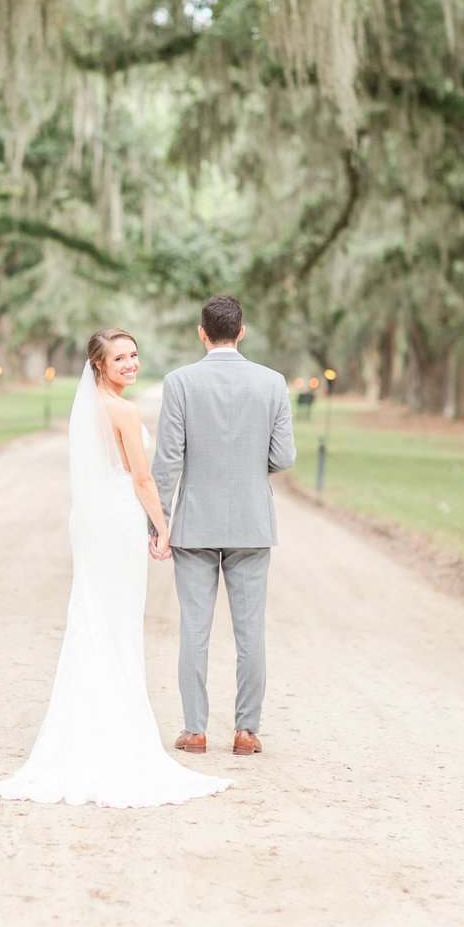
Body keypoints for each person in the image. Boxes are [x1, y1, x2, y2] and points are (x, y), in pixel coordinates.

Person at [0, 328, 230, 808]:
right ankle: (117, 731)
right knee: (116, 623)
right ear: (99, 364)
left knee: (95, 615)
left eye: (135, 355)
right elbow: (141, 477)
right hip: (118, 522)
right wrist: (162, 527)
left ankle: (88, 724)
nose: (131, 363)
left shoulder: (88, 410)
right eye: (120, 357)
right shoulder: (123, 410)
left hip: (92, 523)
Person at [150, 296, 296, 756]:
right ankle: (246, 731)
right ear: (242, 331)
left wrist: (158, 523)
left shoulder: (180, 383)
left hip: (194, 523)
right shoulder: (272, 383)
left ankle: (195, 730)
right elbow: (283, 457)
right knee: (250, 632)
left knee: (194, 630)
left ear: (202, 332)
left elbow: (168, 460)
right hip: (252, 524)